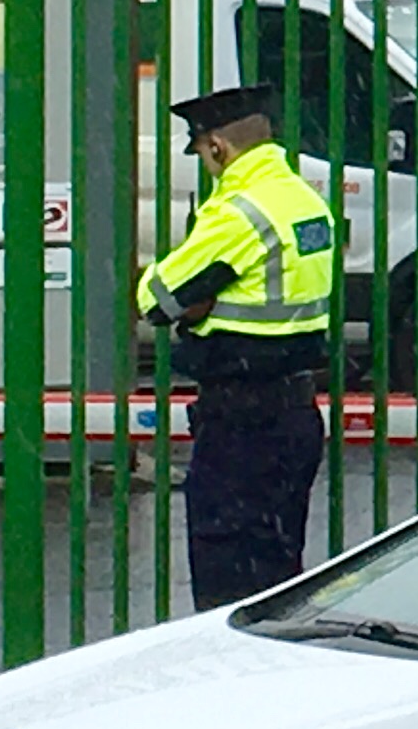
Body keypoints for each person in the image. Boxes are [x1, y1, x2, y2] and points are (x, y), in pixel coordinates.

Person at [134, 82, 337, 606]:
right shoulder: (305, 201)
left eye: (202, 152)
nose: (206, 164)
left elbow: (157, 298)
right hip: (295, 416)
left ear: (218, 147)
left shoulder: (239, 213)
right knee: (278, 582)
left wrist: (196, 297)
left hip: (240, 426)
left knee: (228, 591)